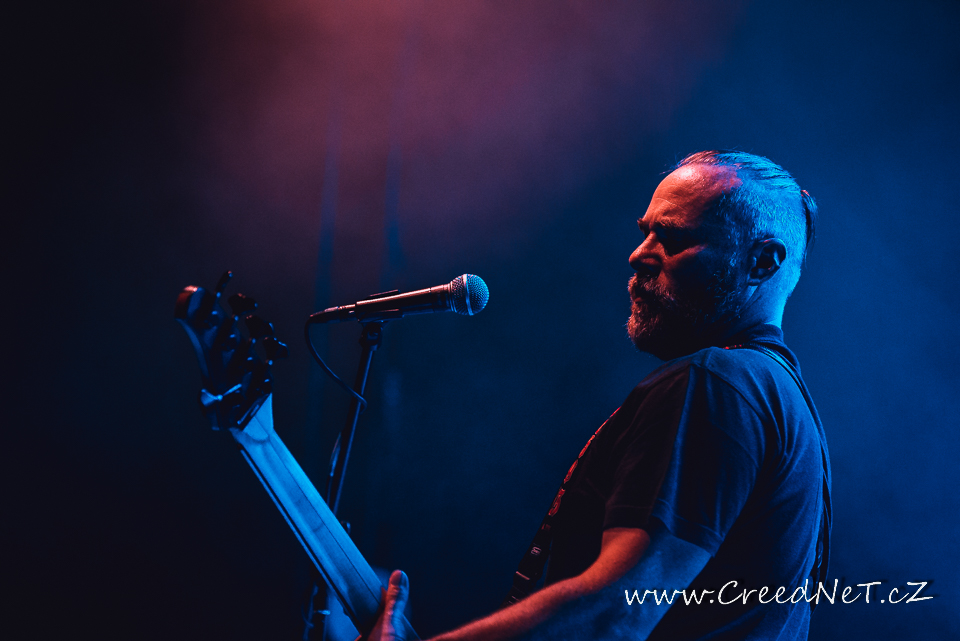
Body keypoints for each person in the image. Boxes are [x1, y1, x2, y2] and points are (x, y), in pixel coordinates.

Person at [368, 150, 831, 641]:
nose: (639, 254)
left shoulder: (719, 382)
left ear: (762, 262)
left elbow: (618, 613)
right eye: (644, 232)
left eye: (673, 238)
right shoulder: (783, 400)